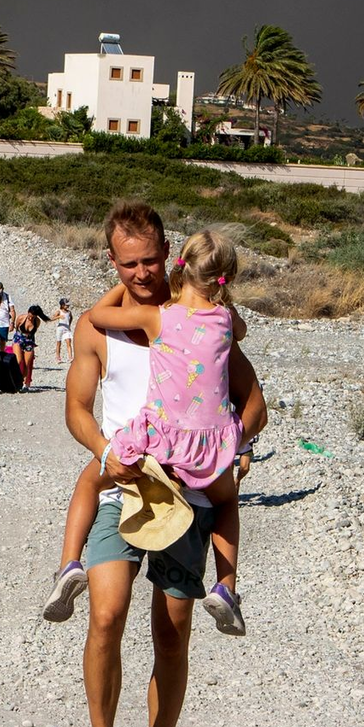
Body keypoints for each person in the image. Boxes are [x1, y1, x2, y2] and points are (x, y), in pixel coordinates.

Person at [46, 201, 266, 727]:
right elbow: (77, 411)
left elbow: (255, 401)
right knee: (106, 616)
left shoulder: (203, 315)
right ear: (112, 261)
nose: (142, 273)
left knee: (170, 639)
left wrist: (232, 449)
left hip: (190, 499)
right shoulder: (102, 327)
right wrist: (103, 451)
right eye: (129, 263)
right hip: (125, 487)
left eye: (151, 261)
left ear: (169, 253)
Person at [87, 229, 248, 632]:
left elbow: (97, 316)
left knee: (96, 473)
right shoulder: (227, 320)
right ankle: (226, 586)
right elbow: (239, 332)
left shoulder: (157, 317)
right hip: (212, 444)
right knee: (227, 502)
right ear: (225, 277)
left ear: (178, 265)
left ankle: (69, 562)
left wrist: (119, 278)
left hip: (162, 443)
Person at [12, 304, 49, 392]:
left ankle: (24, 383)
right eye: (30, 316)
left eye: (33, 317)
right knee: (18, 360)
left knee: (27, 363)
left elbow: (33, 332)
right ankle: (16, 380)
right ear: (28, 312)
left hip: (29, 341)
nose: (31, 318)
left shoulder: (37, 322)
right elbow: (16, 327)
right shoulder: (21, 318)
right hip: (19, 339)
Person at [53, 298, 74, 365]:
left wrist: (69, 325)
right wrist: (59, 317)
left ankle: (70, 357)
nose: (67, 306)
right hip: (60, 328)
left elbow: (71, 318)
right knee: (59, 343)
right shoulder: (59, 311)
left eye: (68, 305)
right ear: (62, 305)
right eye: (66, 305)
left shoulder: (69, 312)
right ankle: (58, 357)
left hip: (67, 329)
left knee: (68, 342)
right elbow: (52, 318)